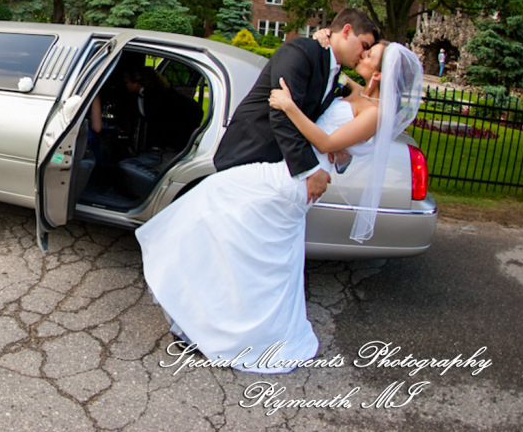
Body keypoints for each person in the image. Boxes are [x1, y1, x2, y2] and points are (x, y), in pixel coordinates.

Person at [136, 39, 423, 373]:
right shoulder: (359, 92)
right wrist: (323, 41)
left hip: (299, 179)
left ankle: (208, 317)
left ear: (379, 74)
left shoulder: (377, 112)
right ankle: (218, 322)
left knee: (213, 193)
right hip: (296, 173)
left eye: (370, 54)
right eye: (366, 47)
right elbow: (333, 76)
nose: (363, 53)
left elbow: (327, 141)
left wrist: (289, 106)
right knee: (253, 256)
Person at [213, 8, 380, 204]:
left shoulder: (337, 73)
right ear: (347, 31)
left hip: (283, 173)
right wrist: (311, 170)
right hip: (250, 155)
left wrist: (339, 148)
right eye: (364, 45)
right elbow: (280, 114)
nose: (363, 54)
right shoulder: (300, 52)